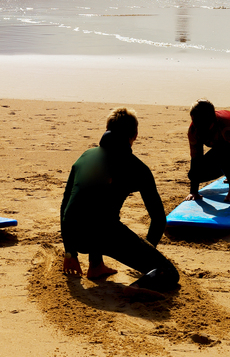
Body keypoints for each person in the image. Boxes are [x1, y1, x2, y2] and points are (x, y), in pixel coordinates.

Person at [60, 108, 180, 295]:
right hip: (105, 235)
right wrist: (147, 252)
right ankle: (137, 287)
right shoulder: (137, 168)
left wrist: (70, 252)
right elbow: (158, 219)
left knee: (98, 205)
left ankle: (96, 266)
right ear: (135, 135)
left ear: (107, 129)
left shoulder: (85, 157)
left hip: (75, 237)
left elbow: (66, 204)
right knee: (169, 273)